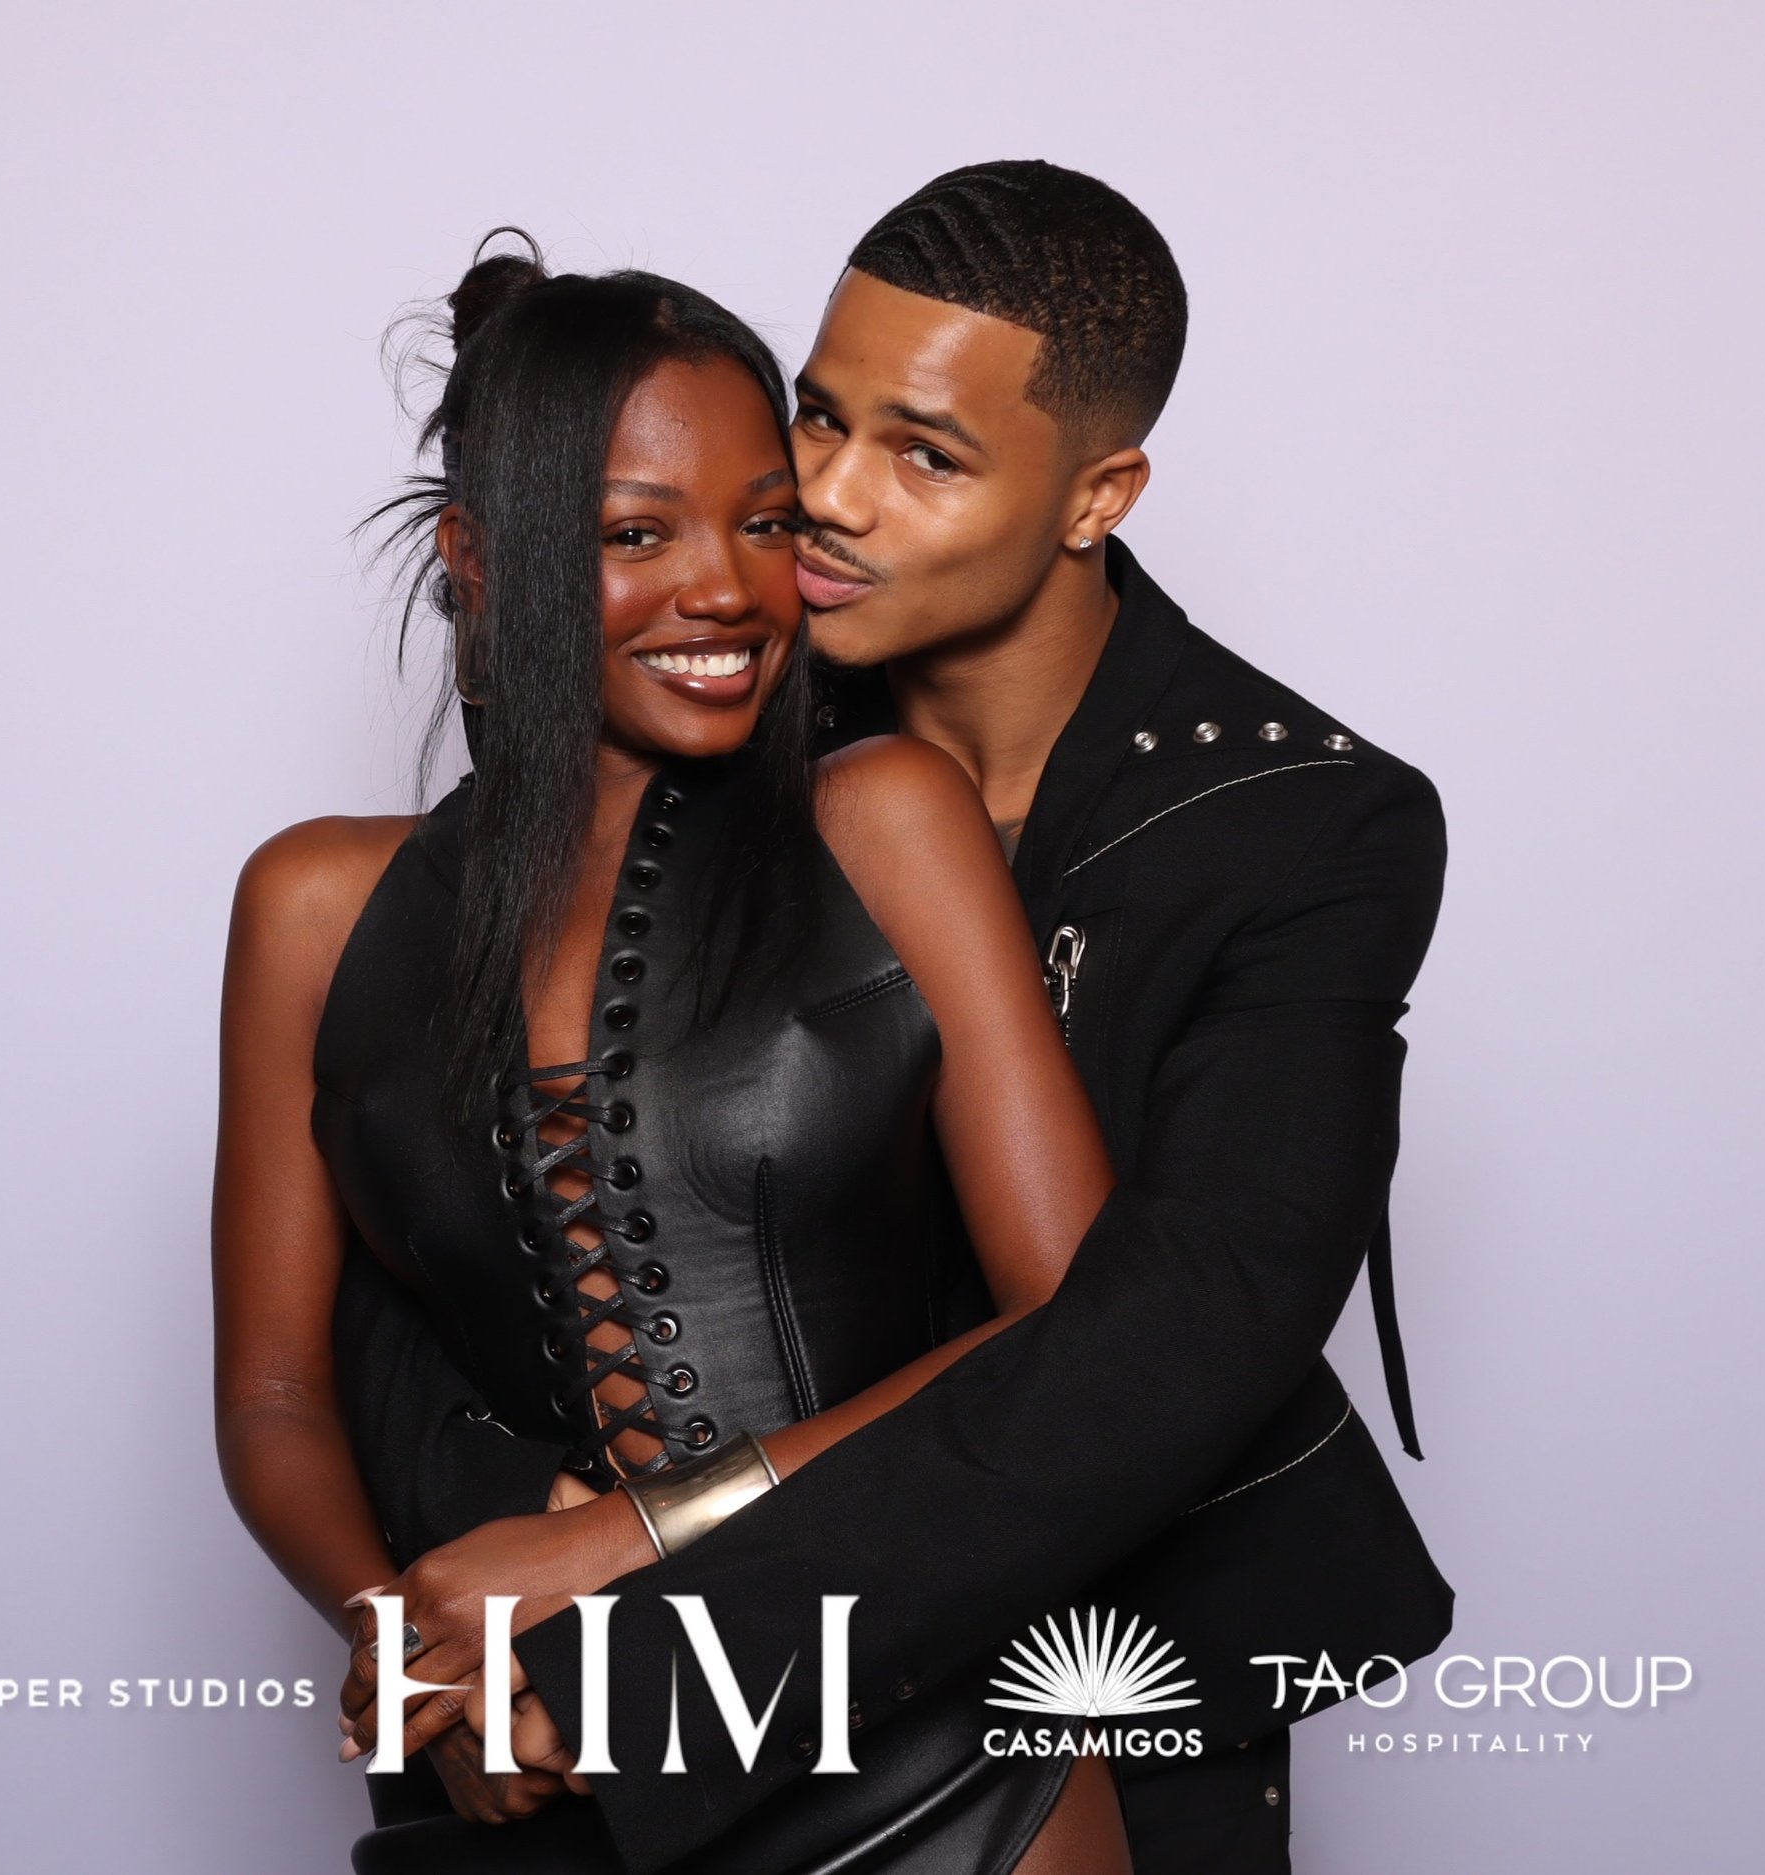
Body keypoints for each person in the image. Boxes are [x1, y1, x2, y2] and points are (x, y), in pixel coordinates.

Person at [333, 163, 1454, 1874]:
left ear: (1099, 494)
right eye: (822, 422)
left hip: (1103, 1679)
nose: (828, 500)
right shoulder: (717, 682)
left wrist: (645, 1596)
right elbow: (440, 1159)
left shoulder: (1302, 826)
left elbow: (1177, 1329)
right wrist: (501, 1538)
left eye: (924, 456)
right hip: (634, 1701)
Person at [212, 240, 1143, 1870]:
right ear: (476, 560)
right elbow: (280, 1390)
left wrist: (629, 1539)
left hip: (926, 1746)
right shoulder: (315, 903)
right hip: (536, 1769)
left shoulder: (886, 821)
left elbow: (1072, 1323)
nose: (727, 588)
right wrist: (426, 1659)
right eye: (636, 534)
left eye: (768, 522)